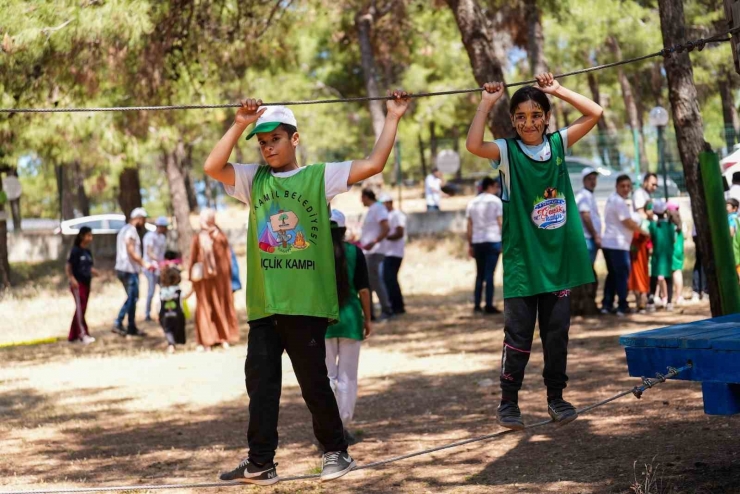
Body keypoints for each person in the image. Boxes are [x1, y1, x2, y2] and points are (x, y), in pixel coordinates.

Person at [204, 92, 410, 484]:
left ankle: (337, 452)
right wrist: (239, 124)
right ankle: (261, 462)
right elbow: (213, 166)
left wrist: (393, 117)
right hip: (266, 305)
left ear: (294, 139)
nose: (267, 148)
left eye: (275, 140)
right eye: (262, 143)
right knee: (261, 387)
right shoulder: (253, 179)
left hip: (306, 304)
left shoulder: (319, 176)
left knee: (314, 383)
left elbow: (375, 163)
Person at [466, 72, 601, 430]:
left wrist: (557, 90)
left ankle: (556, 398)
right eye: (521, 116)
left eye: (536, 114)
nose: (529, 122)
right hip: (522, 264)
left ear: (546, 117)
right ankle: (508, 402)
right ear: (513, 120)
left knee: (557, 336)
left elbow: (595, 113)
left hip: (557, 263)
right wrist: (485, 103)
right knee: (519, 338)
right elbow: (474, 145)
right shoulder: (507, 152)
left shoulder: (558, 144)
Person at [324, 209, 372, 446]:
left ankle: (327, 426)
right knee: (347, 376)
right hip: (351, 319)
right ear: (343, 230)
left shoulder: (315, 253)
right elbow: (363, 289)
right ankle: (343, 425)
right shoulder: (356, 252)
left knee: (326, 376)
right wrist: (368, 318)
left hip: (322, 321)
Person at [189, 208, 239, 351]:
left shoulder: (220, 236)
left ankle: (223, 337)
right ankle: (206, 340)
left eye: (204, 219)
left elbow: (227, 258)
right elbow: (193, 258)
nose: (201, 222)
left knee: (221, 305)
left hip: (220, 280)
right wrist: (191, 278)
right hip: (203, 280)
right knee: (204, 308)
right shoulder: (198, 238)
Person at [601, 175, 647, 316]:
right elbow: (628, 222)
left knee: (613, 276)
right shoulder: (618, 202)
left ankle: (607, 305)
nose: (626, 189)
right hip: (617, 245)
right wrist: (644, 232)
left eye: (628, 186)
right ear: (617, 186)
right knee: (621, 276)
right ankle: (622, 306)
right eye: (623, 186)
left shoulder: (613, 199)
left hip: (609, 243)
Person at [465, 177, 503, 314]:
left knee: (479, 274)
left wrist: (470, 244)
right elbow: (500, 222)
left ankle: (476, 304)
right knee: (490, 274)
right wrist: (504, 240)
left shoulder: (472, 203)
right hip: (493, 240)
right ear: (491, 186)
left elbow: (469, 225)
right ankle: (489, 304)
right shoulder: (496, 201)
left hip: (477, 241)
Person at [113, 207, 151, 337]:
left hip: (123, 268)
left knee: (132, 298)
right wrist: (143, 263)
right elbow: (131, 250)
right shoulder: (131, 231)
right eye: (143, 220)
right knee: (132, 298)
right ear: (138, 218)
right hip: (129, 269)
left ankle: (131, 326)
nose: (144, 223)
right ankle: (118, 322)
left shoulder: (124, 230)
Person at [360, 188, 392, 320]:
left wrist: (374, 242)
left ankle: (386, 309)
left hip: (375, 251)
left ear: (366, 197)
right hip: (369, 251)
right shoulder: (372, 210)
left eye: (362, 197)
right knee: (370, 282)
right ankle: (370, 312)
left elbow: (386, 228)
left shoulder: (378, 208)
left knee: (376, 282)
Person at [65, 226, 100, 344]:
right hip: (77, 284)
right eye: (88, 235)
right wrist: (71, 278)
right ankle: (82, 334)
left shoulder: (87, 252)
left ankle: (73, 335)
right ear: (82, 236)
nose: (90, 238)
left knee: (82, 309)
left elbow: (87, 266)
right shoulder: (75, 251)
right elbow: (69, 266)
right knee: (80, 309)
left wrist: (93, 271)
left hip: (86, 283)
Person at [379, 193, 407, 315]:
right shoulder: (387, 215)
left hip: (395, 252)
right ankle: (394, 304)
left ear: (390, 202)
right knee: (388, 280)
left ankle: (397, 306)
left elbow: (400, 232)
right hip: (387, 252)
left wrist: (386, 237)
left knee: (390, 279)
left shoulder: (397, 215)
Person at [648, 200, 676, 311]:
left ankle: (650, 303)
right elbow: (673, 239)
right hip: (668, 255)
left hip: (657, 255)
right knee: (668, 279)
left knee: (654, 278)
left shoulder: (653, 225)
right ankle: (669, 302)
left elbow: (651, 238)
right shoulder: (670, 225)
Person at [628, 203, 653, 313]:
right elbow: (650, 247)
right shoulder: (644, 235)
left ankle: (640, 303)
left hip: (635, 264)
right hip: (642, 264)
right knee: (641, 282)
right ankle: (642, 304)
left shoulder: (632, 235)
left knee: (636, 283)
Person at [143, 216, 169, 322]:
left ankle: (163, 310)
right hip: (151, 268)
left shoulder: (162, 238)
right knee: (151, 291)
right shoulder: (150, 236)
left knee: (163, 289)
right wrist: (158, 261)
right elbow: (149, 252)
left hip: (160, 268)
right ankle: (147, 314)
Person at [159, 262, 189, 353]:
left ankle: (171, 345)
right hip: (178, 315)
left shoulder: (162, 291)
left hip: (165, 316)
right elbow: (183, 298)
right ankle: (177, 342)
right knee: (177, 329)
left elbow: (158, 304)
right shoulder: (178, 291)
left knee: (168, 331)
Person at [575, 167, 602, 265]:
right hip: (587, 239)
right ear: (584, 180)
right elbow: (585, 216)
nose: (593, 181)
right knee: (588, 270)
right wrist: (595, 235)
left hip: (590, 239)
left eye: (594, 178)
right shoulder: (583, 196)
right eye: (589, 179)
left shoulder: (589, 195)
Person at [668, 201, 685, 305]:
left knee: (672, 273)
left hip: (672, 251)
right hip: (680, 251)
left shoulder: (670, 227)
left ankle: (668, 295)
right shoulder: (680, 224)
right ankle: (679, 296)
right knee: (678, 272)